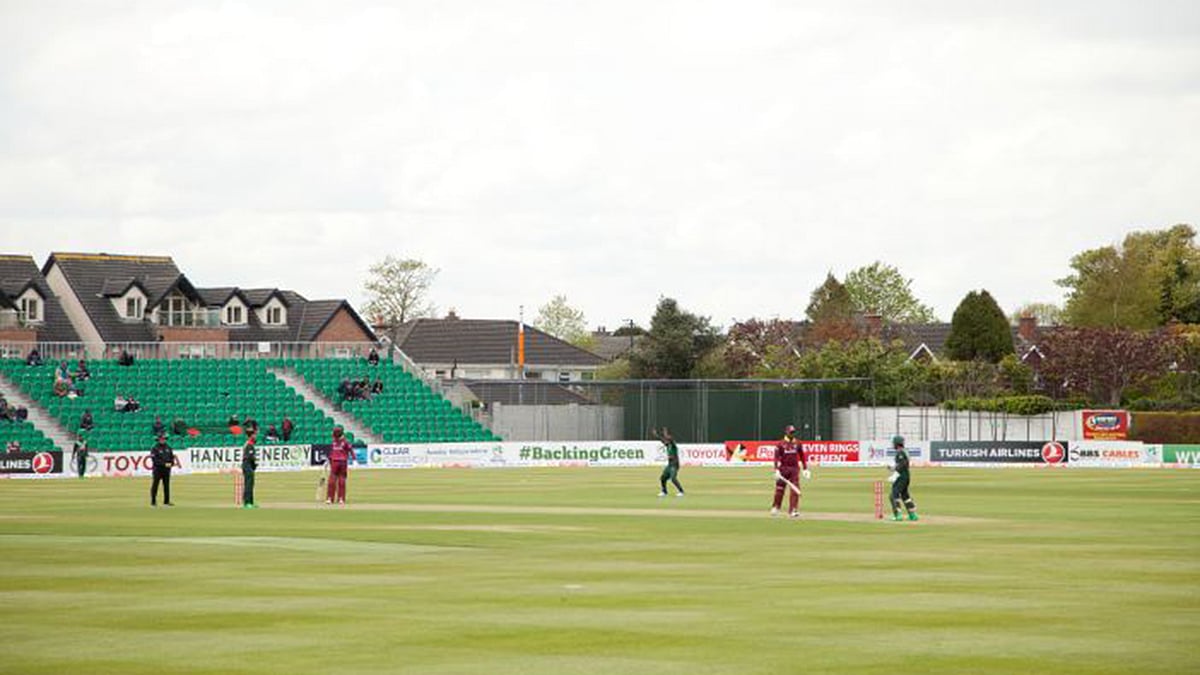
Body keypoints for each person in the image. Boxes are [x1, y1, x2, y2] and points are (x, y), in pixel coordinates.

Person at [771, 424, 810, 518]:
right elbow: (776, 458)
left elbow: (802, 456)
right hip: (783, 469)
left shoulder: (798, 443)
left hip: (794, 469)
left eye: (793, 432)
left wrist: (805, 469)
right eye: (791, 432)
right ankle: (776, 507)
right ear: (786, 432)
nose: (792, 434)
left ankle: (793, 510)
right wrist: (776, 470)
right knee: (779, 490)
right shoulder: (780, 444)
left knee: (795, 490)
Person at [887, 435, 918, 521]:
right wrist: (893, 468)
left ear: (897, 443)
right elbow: (902, 464)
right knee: (905, 495)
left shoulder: (900, 452)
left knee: (893, 495)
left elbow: (903, 464)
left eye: (894, 443)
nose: (893, 445)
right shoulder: (903, 451)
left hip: (902, 476)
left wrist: (895, 474)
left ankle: (898, 515)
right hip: (906, 475)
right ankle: (912, 514)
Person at [651, 427, 684, 497]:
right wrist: (656, 435)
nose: (665, 441)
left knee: (673, 478)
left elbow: (671, 440)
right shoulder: (668, 445)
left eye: (667, 440)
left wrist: (665, 433)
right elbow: (661, 439)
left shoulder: (673, 446)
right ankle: (664, 491)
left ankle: (681, 491)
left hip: (675, 465)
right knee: (663, 478)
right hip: (670, 465)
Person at [326, 427, 353, 505]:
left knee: (332, 479)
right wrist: (354, 459)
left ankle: (330, 498)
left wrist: (329, 460)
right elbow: (350, 450)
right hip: (343, 462)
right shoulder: (345, 442)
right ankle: (341, 499)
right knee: (342, 479)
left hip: (335, 462)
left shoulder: (333, 441)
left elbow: (331, 453)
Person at [149, 436, 178, 507]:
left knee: (166, 485)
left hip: (167, 470)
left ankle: (166, 502)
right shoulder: (154, 448)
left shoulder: (168, 447)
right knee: (155, 485)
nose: (162, 440)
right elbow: (155, 460)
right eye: (161, 439)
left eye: (164, 439)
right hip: (158, 470)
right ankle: (153, 501)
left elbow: (171, 457)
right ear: (158, 440)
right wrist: (164, 464)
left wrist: (172, 463)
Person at [240, 432, 258, 509]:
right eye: (254, 435)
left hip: (248, 465)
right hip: (247, 465)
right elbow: (249, 457)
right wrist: (254, 463)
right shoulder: (249, 445)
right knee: (248, 484)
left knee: (251, 484)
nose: (255, 436)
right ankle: (247, 502)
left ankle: (250, 502)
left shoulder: (250, 445)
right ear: (251, 436)